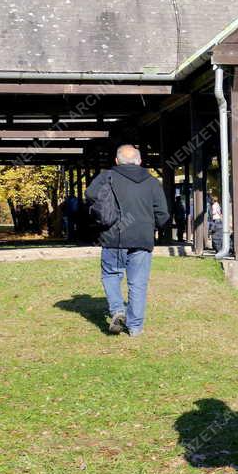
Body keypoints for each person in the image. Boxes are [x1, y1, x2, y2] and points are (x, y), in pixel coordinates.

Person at [85, 144, 169, 336]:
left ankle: (117, 310)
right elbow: (163, 214)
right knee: (138, 283)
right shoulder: (152, 182)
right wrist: (150, 226)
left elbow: (90, 194)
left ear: (116, 161)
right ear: (139, 161)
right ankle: (135, 327)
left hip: (113, 237)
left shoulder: (107, 176)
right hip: (142, 239)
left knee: (111, 275)